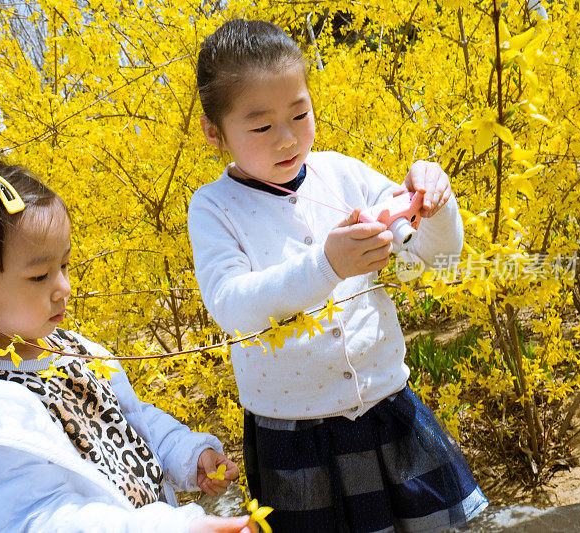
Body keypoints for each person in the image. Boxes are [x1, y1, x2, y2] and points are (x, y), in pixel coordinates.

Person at [189, 19, 488, 533]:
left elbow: (432, 258)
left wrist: (433, 206)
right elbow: (231, 304)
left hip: (388, 407)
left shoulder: (342, 172)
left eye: (300, 113)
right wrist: (326, 267)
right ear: (215, 133)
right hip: (296, 434)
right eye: (261, 127)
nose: (286, 139)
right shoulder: (215, 207)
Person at [0, 159, 254, 533]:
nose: (63, 287)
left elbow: (129, 422)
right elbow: (40, 521)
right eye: (39, 276)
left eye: (64, 265)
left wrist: (188, 455)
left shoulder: (69, 348)